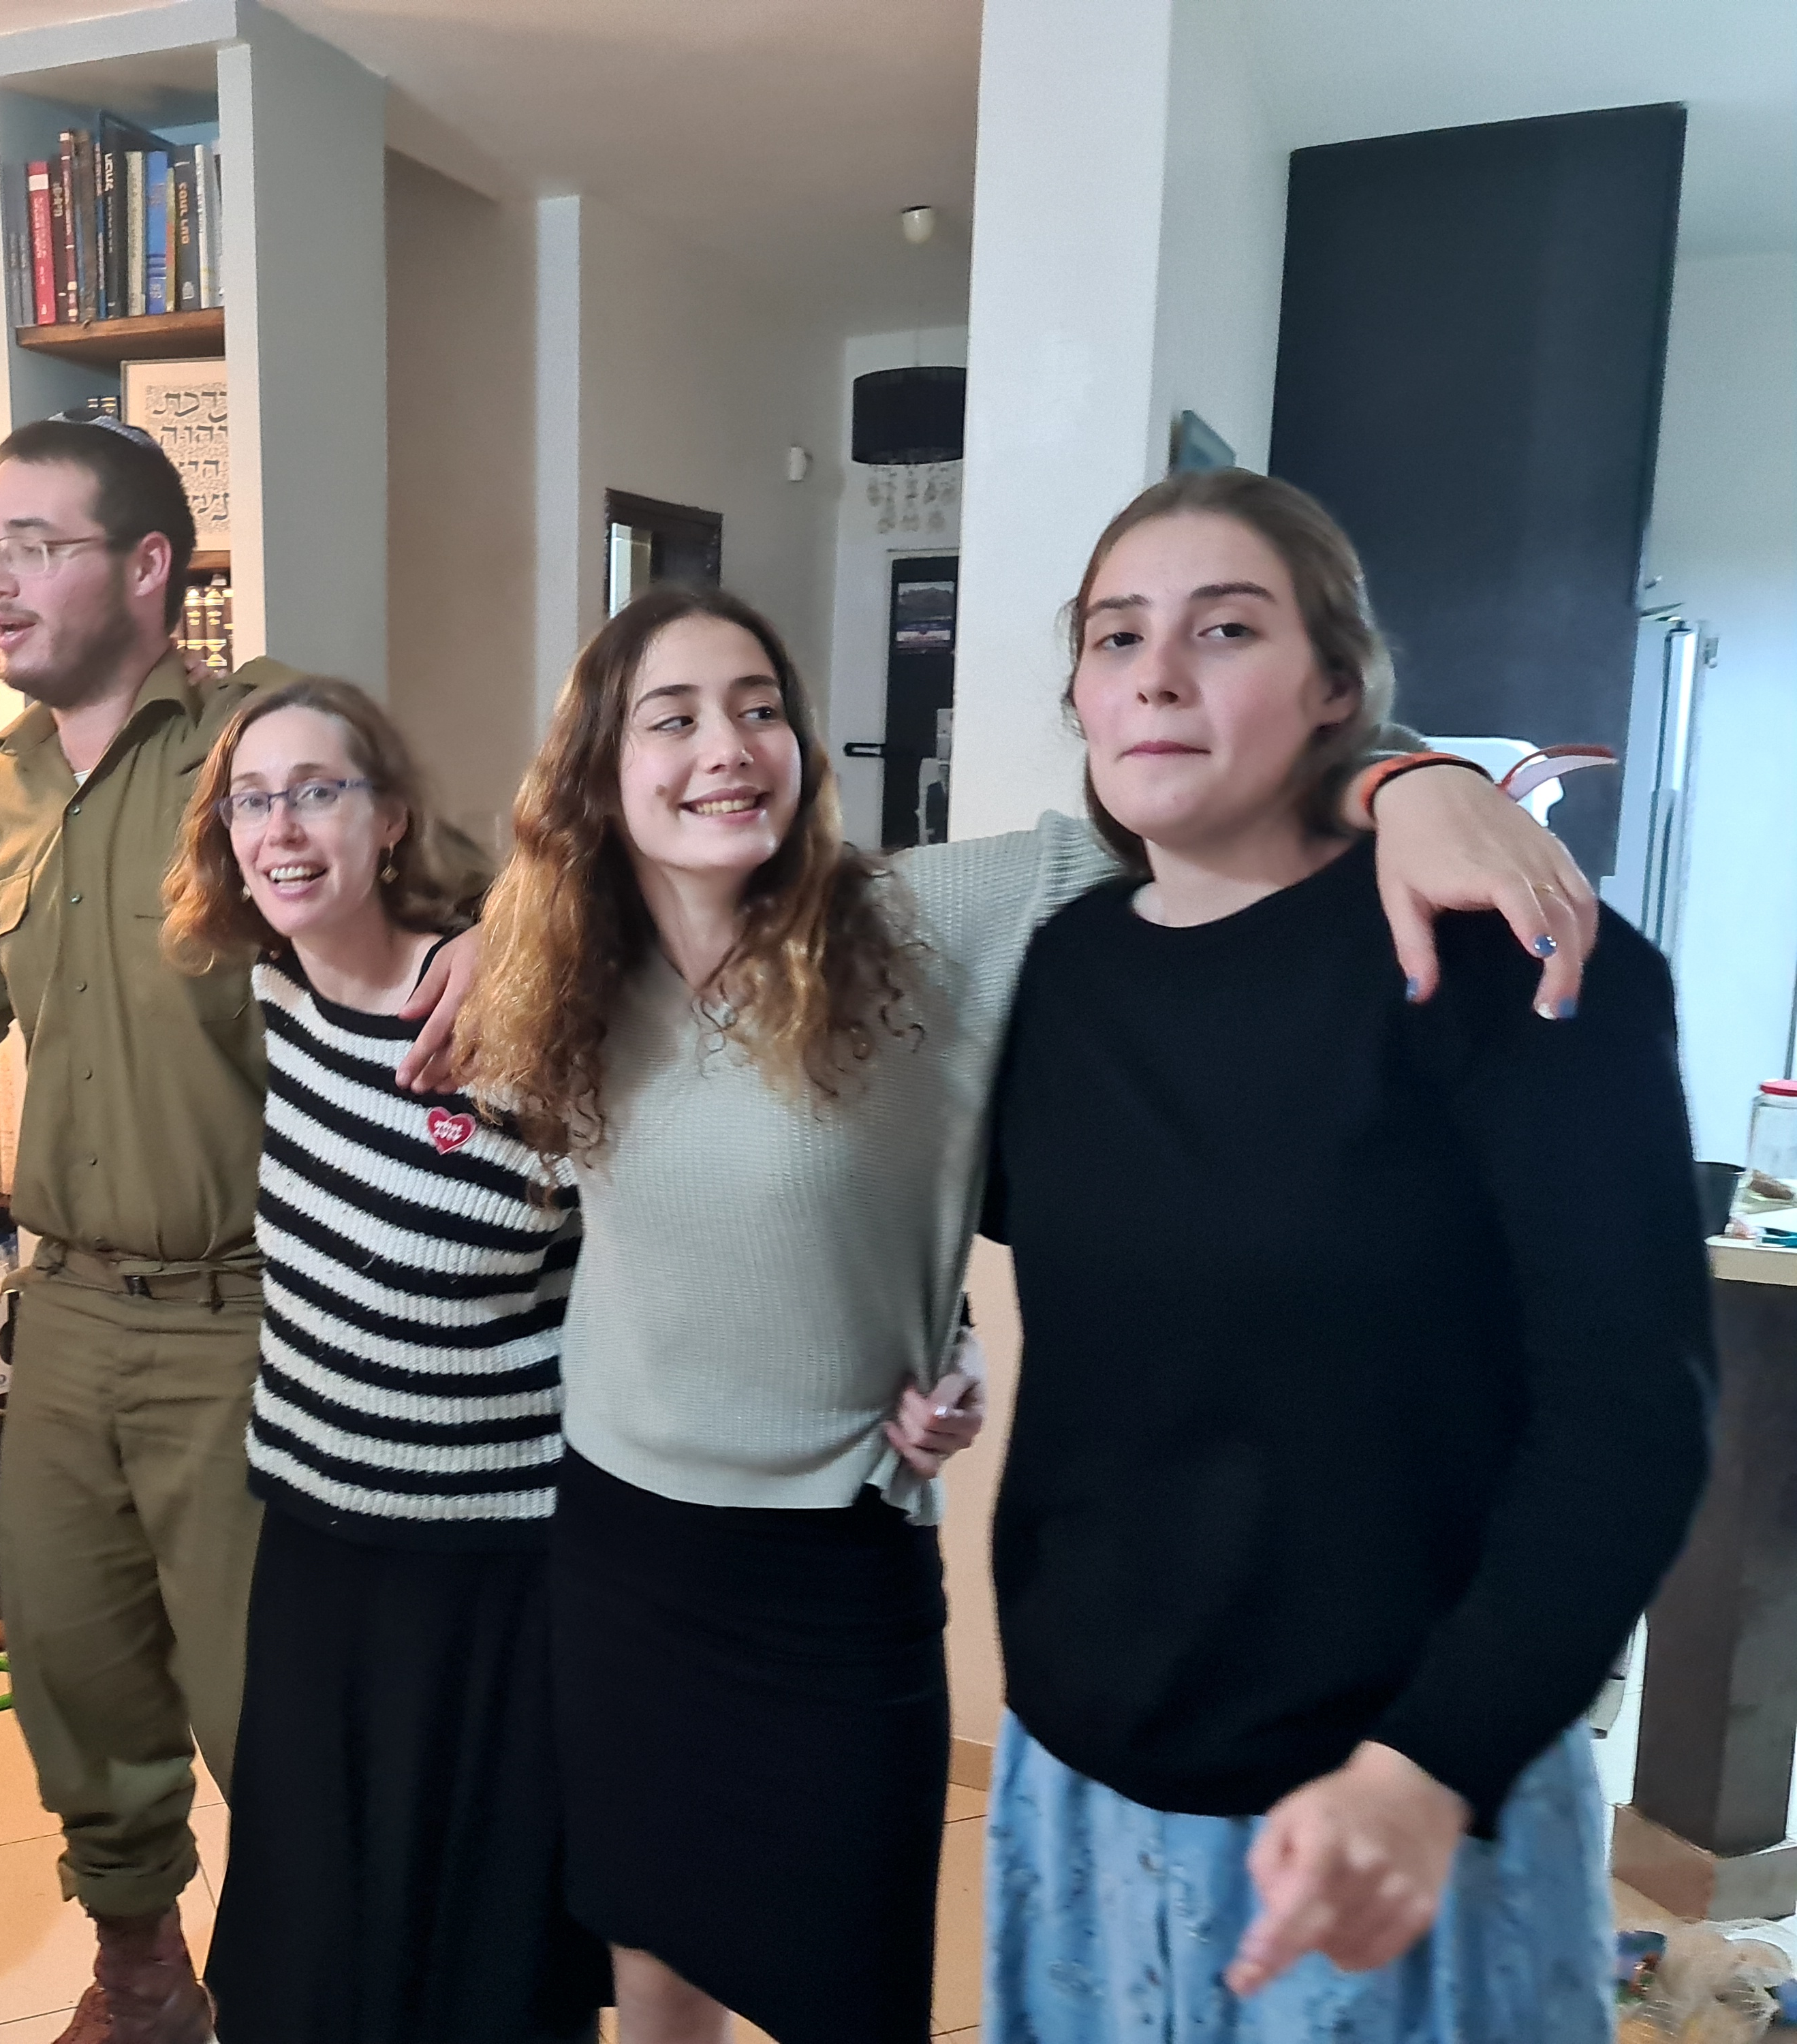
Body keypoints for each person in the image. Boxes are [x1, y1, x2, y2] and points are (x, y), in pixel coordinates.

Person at [446, 579, 1599, 2044]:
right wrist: (490, 929)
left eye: (759, 709)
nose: (727, 747)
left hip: (828, 1574)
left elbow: (1195, 803)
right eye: (673, 720)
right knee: (653, 1968)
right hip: (620, 1552)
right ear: (601, 773)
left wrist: (1405, 779)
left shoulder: (915, 922)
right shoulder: (561, 973)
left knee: (840, 1988)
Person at [978, 467, 1714, 2043]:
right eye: (1116, 637)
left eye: (1224, 628)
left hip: (1383, 1812)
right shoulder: (1067, 966)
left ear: (1333, 686)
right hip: (1081, 1779)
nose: (1156, 675)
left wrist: (1428, 1765)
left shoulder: (1510, 964)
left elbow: (1632, 1421)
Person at [0, 417, 298, 2044]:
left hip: (245, 1319)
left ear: (146, 568)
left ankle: (304, 1983)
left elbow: (458, 930)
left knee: (271, 1707)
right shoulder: (4, 789)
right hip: (59, 1316)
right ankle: (144, 1980)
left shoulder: (266, 741)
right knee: (75, 1673)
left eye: (34, 544)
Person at [161, 678, 610, 2042]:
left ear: (395, 816)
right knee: (309, 1950)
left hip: (491, 1570)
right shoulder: (274, 992)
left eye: (319, 792)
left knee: (478, 1964)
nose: (282, 829)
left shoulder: (510, 1014)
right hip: (316, 1547)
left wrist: (506, 928)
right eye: (253, 801)